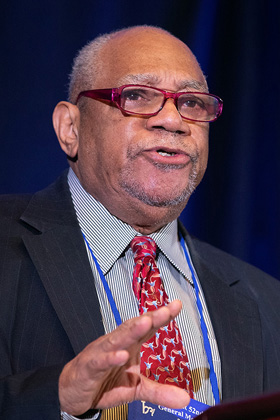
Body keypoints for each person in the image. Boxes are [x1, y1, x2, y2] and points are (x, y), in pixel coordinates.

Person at [0, 25, 280, 420]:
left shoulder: (268, 302)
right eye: (136, 96)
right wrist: (58, 400)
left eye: (192, 103)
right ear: (71, 128)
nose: (172, 120)